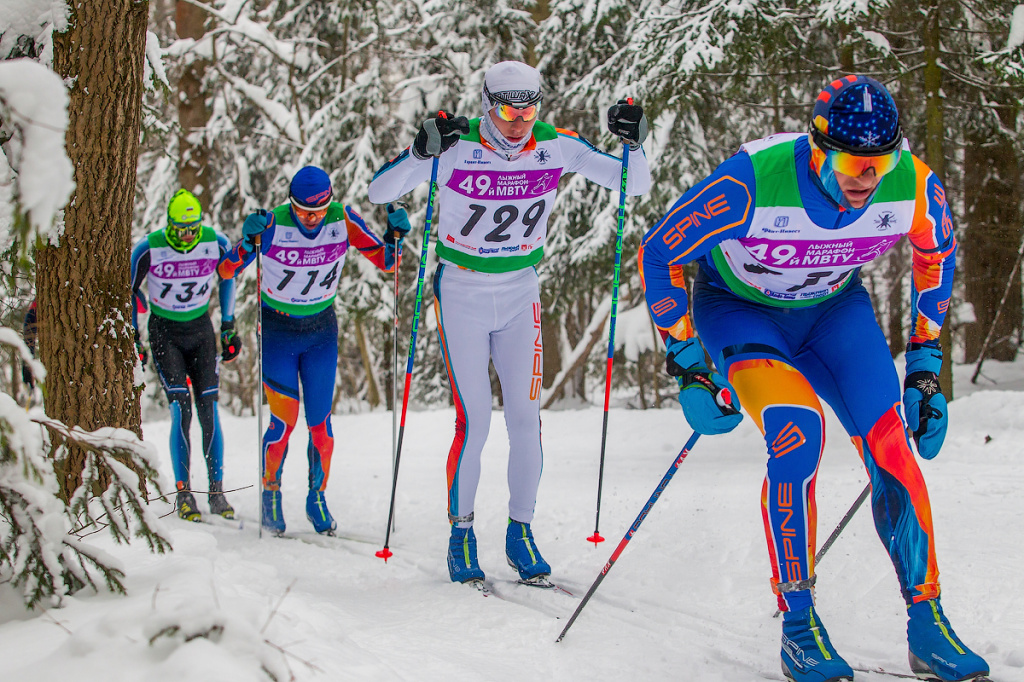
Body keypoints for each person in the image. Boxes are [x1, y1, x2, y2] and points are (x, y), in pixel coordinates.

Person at [639, 75, 988, 682]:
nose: (868, 178)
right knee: (799, 430)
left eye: (881, 162)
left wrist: (926, 367)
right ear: (820, 147)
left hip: (833, 313)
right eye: (855, 163)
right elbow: (661, 250)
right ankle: (799, 628)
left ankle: (928, 624)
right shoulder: (754, 179)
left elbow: (936, 253)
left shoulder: (911, 184)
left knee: (891, 447)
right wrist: (688, 363)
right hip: (740, 310)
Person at [368, 60, 652, 585]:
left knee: (526, 421)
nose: (518, 120)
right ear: (486, 105)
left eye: (528, 108)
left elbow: (633, 185)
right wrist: (418, 152)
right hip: (462, 291)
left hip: (521, 291)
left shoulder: (556, 145)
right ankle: (461, 533)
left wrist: (635, 143)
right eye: (506, 108)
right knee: (473, 422)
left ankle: (520, 532)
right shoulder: (457, 145)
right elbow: (378, 193)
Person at [218, 166, 409, 535]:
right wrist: (246, 242)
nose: (312, 219)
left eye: (318, 212)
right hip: (279, 331)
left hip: (321, 331)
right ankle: (271, 492)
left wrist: (394, 235)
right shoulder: (273, 223)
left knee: (320, 426)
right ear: (292, 205)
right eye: (304, 212)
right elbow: (226, 272)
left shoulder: (343, 219)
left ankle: (316, 496)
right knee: (283, 424)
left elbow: (389, 262)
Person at [131, 189, 239, 522]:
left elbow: (227, 279)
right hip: (166, 332)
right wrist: (134, 337)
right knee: (182, 408)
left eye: (193, 230)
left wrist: (229, 325)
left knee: (209, 408)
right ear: (169, 225)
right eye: (181, 230)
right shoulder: (149, 248)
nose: (188, 237)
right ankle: (184, 492)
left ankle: (216, 491)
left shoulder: (215, 242)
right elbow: (130, 290)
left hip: (201, 330)